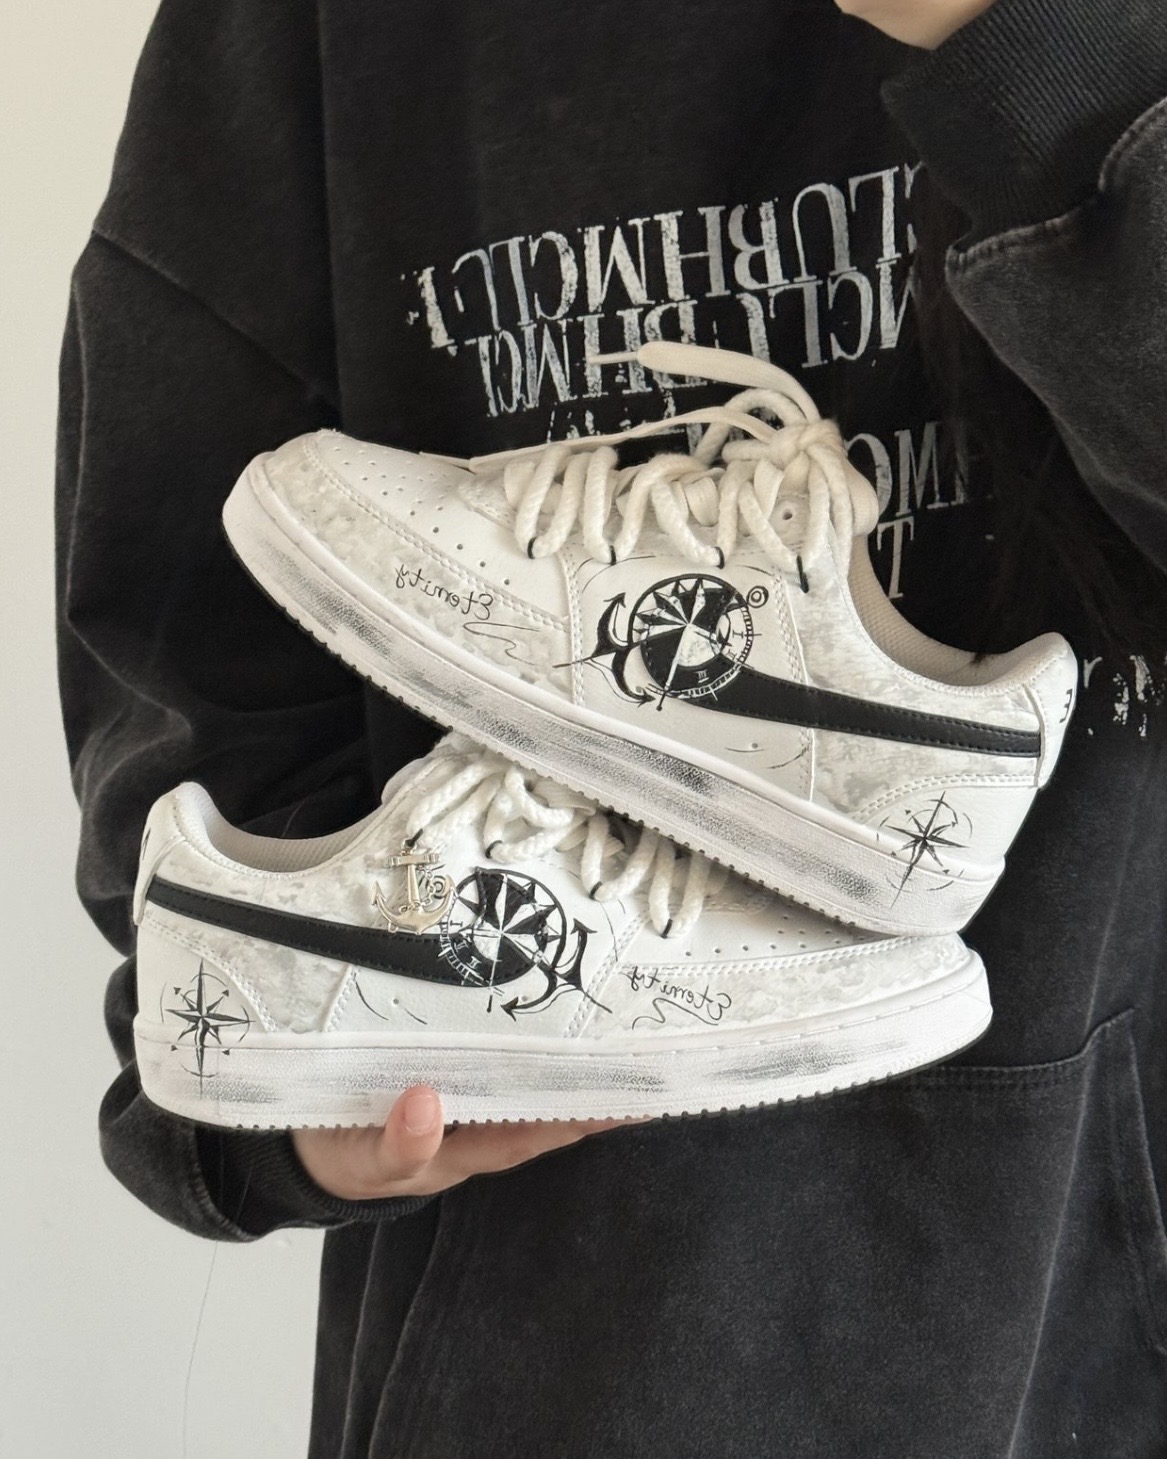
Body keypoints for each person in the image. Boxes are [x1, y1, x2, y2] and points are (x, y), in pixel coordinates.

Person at [57, 0, 1167, 1453]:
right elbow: (196, 646)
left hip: (1092, 1323)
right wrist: (278, 1092)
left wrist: (1036, 55)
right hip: (560, 1348)